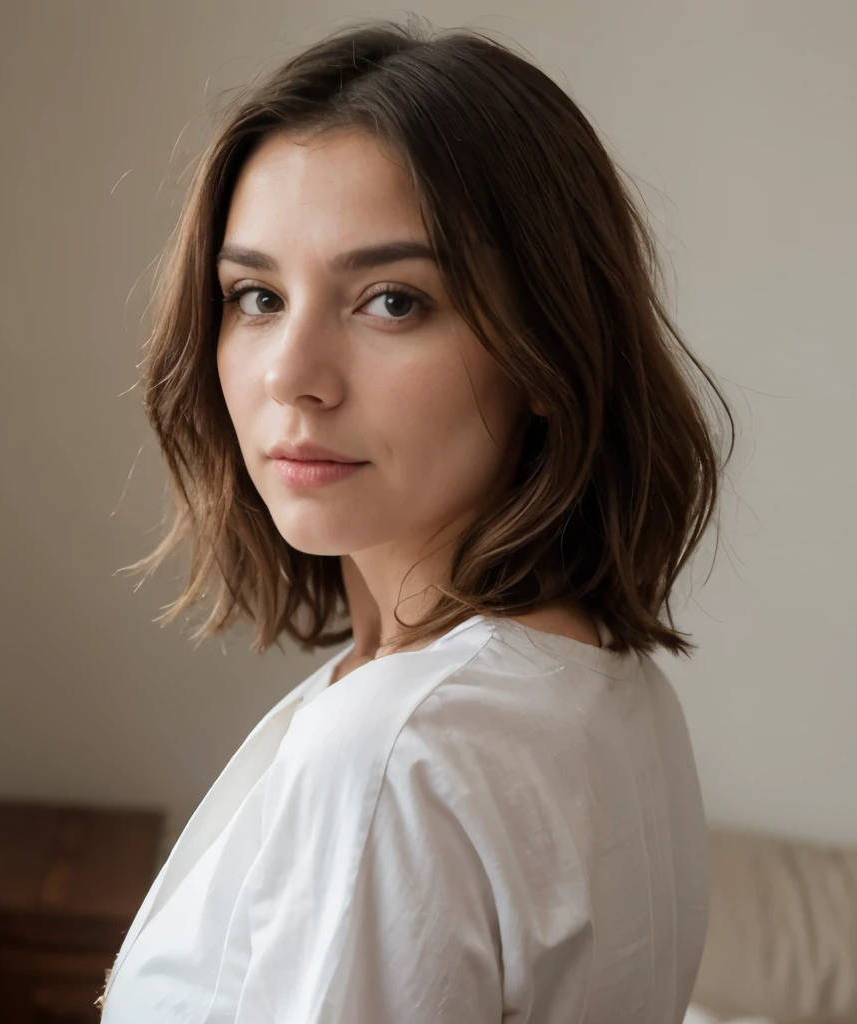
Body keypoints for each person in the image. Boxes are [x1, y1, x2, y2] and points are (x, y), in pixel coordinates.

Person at [97, 17, 732, 1023]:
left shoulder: (395, 754)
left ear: (545, 353)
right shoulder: (613, 685)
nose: (292, 376)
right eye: (255, 295)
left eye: (392, 301)